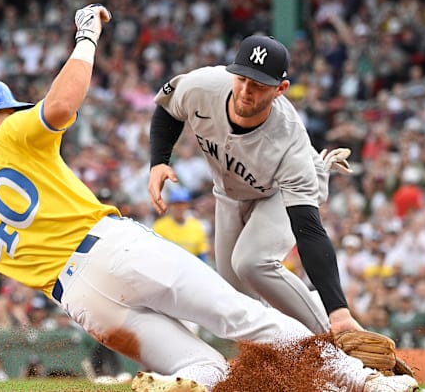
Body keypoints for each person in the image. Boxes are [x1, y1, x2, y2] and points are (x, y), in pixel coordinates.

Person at [0, 4, 418, 392]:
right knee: (245, 317)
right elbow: (62, 106)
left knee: (206, 370)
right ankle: (367, 385)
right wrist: (87, 35)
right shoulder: (7, 139)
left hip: (84, 304)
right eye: (7, 110)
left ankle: (179, 383)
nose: (15, 113)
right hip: (112, 250)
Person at [147, 34, 360, 335]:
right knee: (236, 297)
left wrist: (338, 310)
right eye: (242, 78)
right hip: (230, 193)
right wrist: (158, 161)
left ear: (280, 89)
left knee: (251, 261)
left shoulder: (289, 142)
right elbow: (168, 109)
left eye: (259, 85)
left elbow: (309, 231)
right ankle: (277, 362)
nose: (246, 91)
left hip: (278, 192)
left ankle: (333, 336)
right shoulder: (204, 85)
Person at [152, 186, 210, 264]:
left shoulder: (196, 225)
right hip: (167, 266)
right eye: (176, 204)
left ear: (188, 205)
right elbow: (155, 252)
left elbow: (202, 253)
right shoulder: (159, 226)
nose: (179, 208)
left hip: (191, 267)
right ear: (170, 205)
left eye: (182, 204)